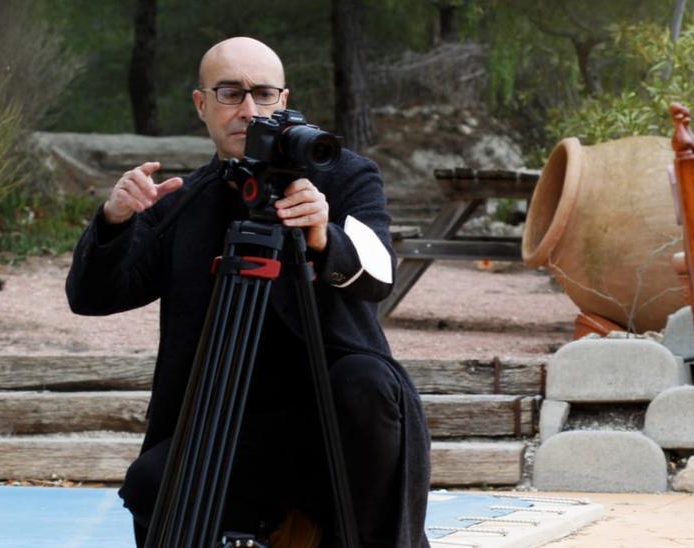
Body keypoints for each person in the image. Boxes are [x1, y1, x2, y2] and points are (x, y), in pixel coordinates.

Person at [66, 36, 430, 547]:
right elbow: (93, 297)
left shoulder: (343, 174)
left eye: (263, 93)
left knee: (368, 381)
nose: (249, 110)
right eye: (230, 93)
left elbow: (380, 277)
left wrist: (324, 236)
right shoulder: (187, 198)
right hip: (232, 427)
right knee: (151, 483)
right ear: (201, 104)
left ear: (284, 98)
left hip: (338, 418)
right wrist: (115, 219)